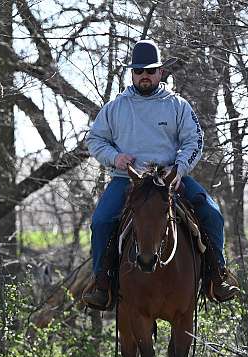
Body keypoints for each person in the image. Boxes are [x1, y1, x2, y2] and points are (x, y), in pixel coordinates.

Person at [83, 39, 239, 310]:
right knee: (101, 221)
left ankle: (217, 276)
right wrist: (115, 158)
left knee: (212, 214)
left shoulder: (177, 105)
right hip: (128, 180)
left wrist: (179, 167)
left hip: (169, 178)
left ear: (160, 73)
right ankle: (102, 284)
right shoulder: (115, 108)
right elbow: (95, 140)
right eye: (139, 70)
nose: (145, 75)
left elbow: (194, 140)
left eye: (150, 70)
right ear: (132, 73)